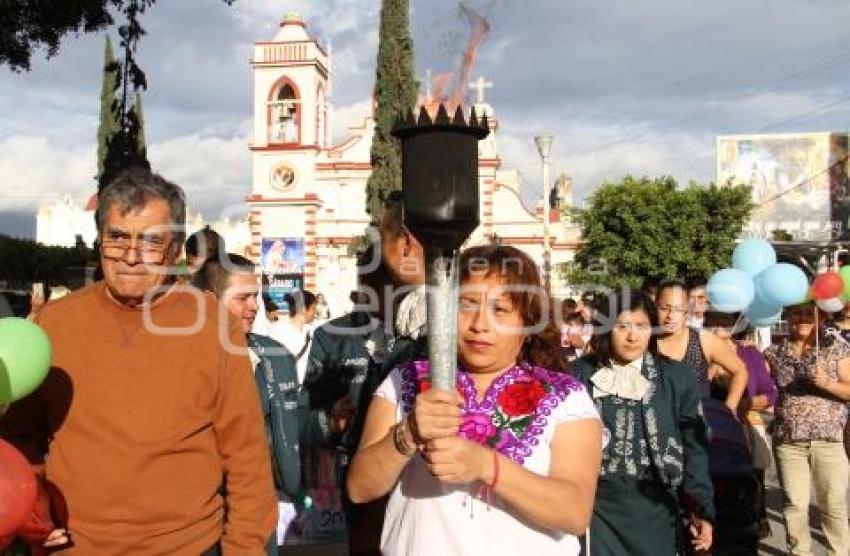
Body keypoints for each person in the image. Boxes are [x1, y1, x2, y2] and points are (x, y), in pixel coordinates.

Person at [0, 167, 277, 554]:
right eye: (117, 238)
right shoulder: (55, 323)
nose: (131, 256)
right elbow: (18, 440)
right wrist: (35, 514)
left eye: (150, 242)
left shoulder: (214, 325)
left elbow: (247, 457)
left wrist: (243, 548)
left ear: (176, 248)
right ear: (99, 241)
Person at [347, 245, 603, 555]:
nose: (479, 324)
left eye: (500, 310)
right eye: (466, 305)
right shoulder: (405, 380)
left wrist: (487, 466)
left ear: (527, 321)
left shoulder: (567, 397)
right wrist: (408, 432)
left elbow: (574, 513)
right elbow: (359, 489)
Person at [572, 289, 714, 555]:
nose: (632, 336)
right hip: (597, 507)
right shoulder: (579, 375)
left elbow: (694, 447)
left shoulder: (675, 376)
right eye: (622, 326)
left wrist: (700, 507)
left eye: (642, 326)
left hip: (656, 506)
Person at [764, 302, 850, 555]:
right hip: (789, 440)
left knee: (833, 505)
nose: (802, 319)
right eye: (796, 313)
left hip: (829, 440)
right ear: (788, 317)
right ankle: (799, 552)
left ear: (821, 317)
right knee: (795, 505)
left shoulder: (837, 349)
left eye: (808, 314)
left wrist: (827, 383)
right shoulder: (774, 352)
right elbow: (760, 384)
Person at [705, 311, 778, 538]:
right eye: (715, 320)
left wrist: (745, 403)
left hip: (744, 425)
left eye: (727, 319)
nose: (721, 325)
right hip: (709, 430)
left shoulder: (749, 353)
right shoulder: (699, 352)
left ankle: (756, 518)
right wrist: (710, 371)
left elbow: (770, 394)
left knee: (751, 478)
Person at [656, 280, 748, 412]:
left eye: (678, 309)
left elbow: (740, 370)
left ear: (686, 311)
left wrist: (729, 409)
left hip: (697, 425)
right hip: (656, 424)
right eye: (664, 308)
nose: (670, 316)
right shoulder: (644, 341)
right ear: (655, 307)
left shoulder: (703, 340)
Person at [271, 289, 318, 383]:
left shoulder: (312, 331)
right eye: (313, 308)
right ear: (304, 310)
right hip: (287, 388)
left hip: (306, 389)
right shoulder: (278, 330)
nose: (315, 312)